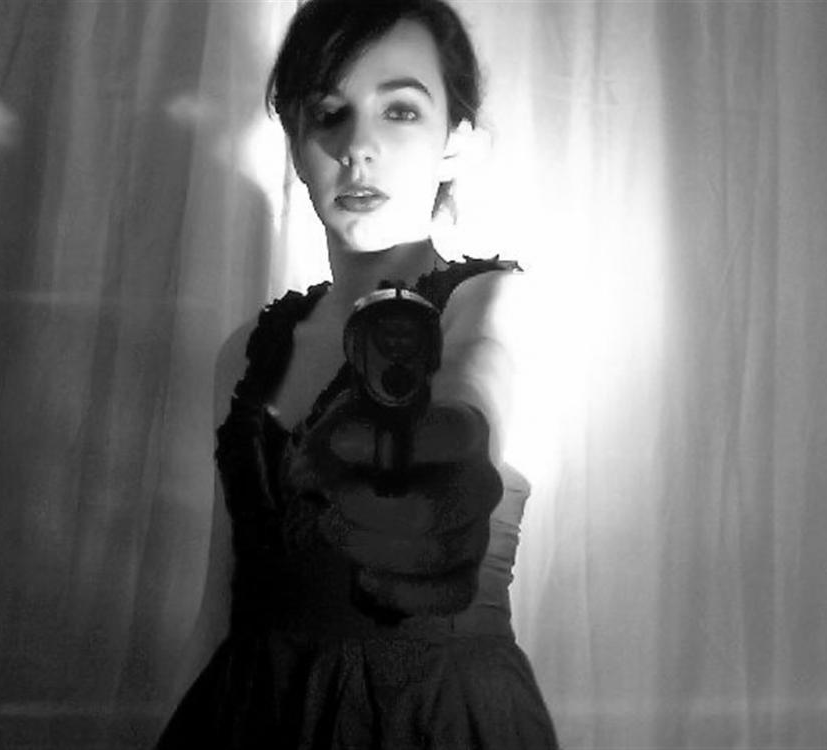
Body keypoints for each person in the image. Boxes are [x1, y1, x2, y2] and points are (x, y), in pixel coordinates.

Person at [157, 0, 559, 747]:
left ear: (457, 142)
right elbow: (219, 606)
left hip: (435, 725)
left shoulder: (493, 303)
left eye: (400, 110)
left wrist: (453, 441)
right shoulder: (245, 354)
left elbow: (478, 374)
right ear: (295, 140)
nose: (358, 147)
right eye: (328, 113)